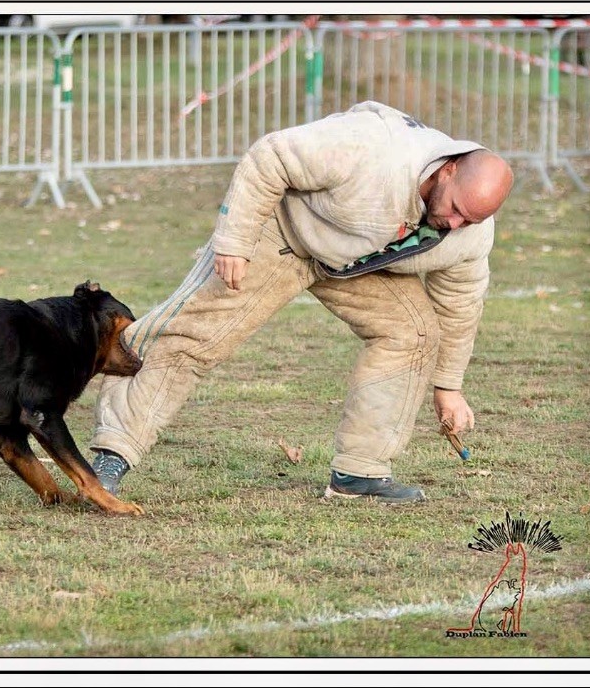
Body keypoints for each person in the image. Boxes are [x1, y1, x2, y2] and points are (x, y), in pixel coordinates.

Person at [89, 100, 515, 504]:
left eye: (469, 220)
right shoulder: (371, 146)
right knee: (195, 333)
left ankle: (360, 473)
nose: (455, 223)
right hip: (282, 232)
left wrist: (448, 386)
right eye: (455, 209)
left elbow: (460, 304)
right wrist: (235, 241)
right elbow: (270, 156)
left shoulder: (471, 232)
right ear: (448, 169)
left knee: (413, 332)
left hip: (350, 262)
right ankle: (113, 452)